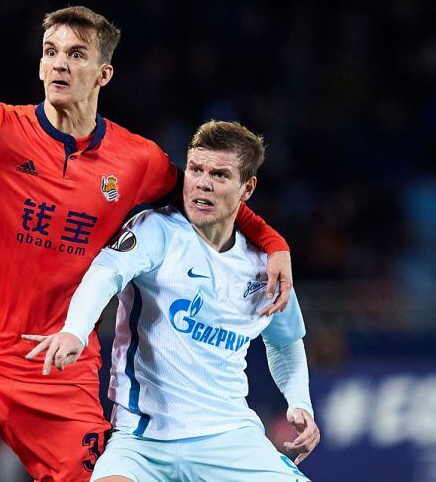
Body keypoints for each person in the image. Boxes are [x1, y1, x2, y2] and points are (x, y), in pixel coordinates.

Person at [0, 6, 293, 482]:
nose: (59, 65)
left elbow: (207, 196)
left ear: (103, 73)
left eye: (76, 54)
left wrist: (273, 242)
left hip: (61, 369)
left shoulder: (136, 160)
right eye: (50, 52)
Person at [26, 120, 319, 481]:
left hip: (229, 438)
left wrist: (299, 401)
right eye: (196, 169)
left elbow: (285, 340)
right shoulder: (156, 231)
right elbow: (105, 275)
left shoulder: (264, 267)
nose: (203, 183)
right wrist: (74, 330)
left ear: (247, 188)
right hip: (141, 441)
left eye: (220, 175)